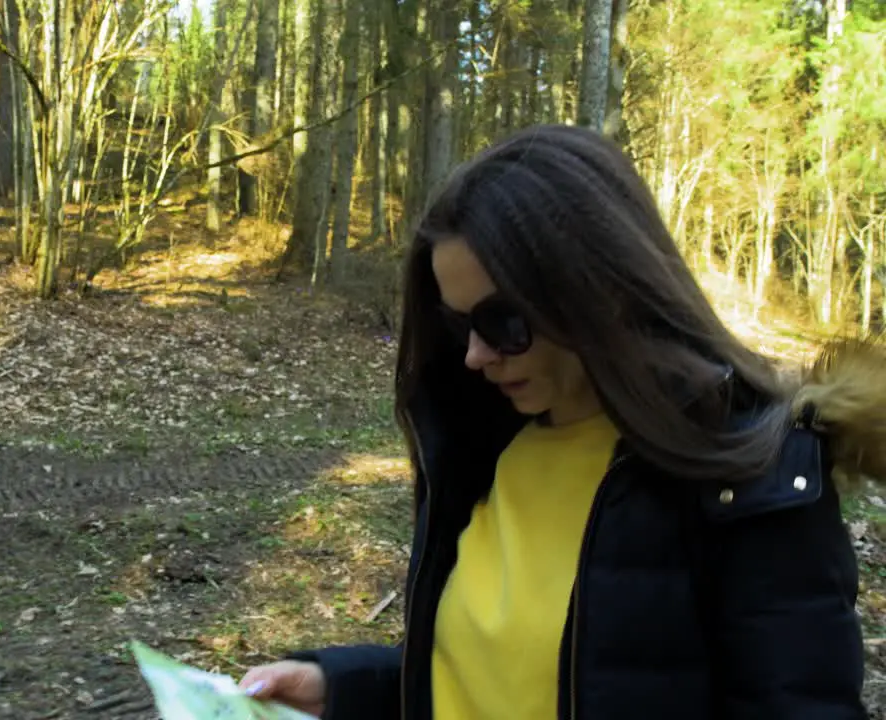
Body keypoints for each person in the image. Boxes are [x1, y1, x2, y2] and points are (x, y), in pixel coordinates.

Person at [238, 124, 885, 719]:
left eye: (502, 322)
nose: (475, 355)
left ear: (597, 289)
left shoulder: (751, 478)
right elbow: (502, 678)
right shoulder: (491, 446)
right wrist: (343, 687)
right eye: (461, 325)